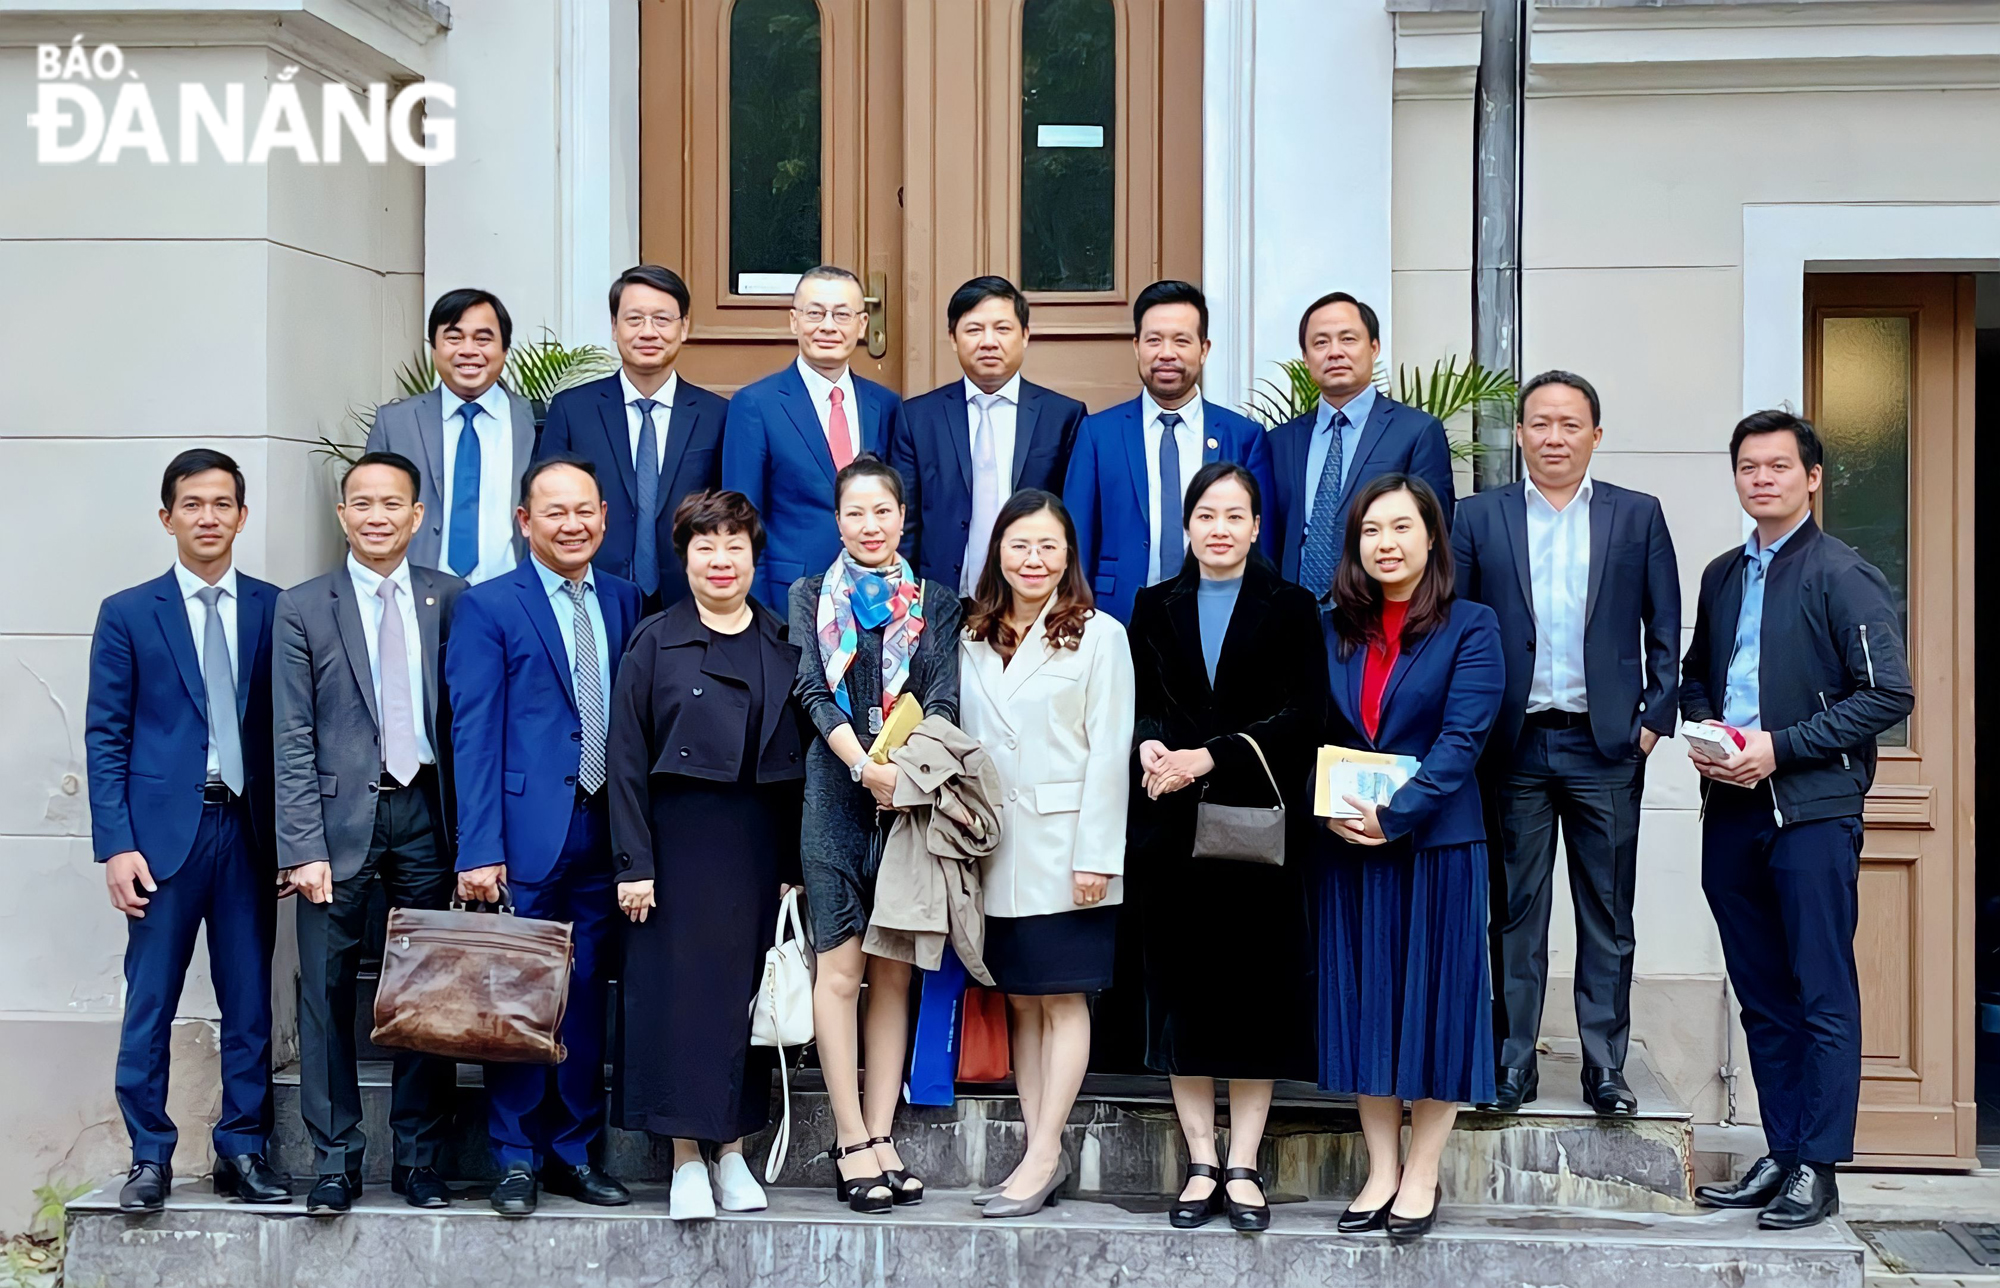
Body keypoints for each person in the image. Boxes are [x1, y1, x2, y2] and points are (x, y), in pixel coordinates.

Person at [1683, 411, 1912, 1231]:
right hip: (1731, 810)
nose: (1762, 479)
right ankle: (1781, 1152)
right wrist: (1707, 735)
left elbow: (1887, 694)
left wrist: (1781, 748)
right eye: (1748, 467)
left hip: (1811, 812)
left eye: (1779, 466)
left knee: (1821, 993)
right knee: (1762, 997)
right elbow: (1695, 679)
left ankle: (1819, 1165)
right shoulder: (1721, 575)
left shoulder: (1842, 574)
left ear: (1812, 478)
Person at [1449, 371, 1680, 1116]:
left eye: (1569, 424)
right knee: (1516, 915)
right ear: (1519, 435)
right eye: (1539, 424)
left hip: (1605, 747)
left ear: (1595, 436)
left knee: (1607, 916)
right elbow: (1460, 631)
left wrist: (1652, 719)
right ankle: (1511, 1064)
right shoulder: (1479, 518)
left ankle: (1604, 1068)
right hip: (1514, 748)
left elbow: (1667, 631)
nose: (1554, 437)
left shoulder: (1635, 517)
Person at [85, 449, 289, 1213]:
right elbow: (105, 735)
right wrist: (116, 844)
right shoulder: (129, 613)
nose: (209, 517)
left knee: (248, 1001)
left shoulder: (276, 609)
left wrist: (292, 837)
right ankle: (149, 1154)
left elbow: (288, 731)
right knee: (151, 1003)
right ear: (167, 516)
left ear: (243, 514)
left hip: (247, 831)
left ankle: (243, 1147)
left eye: (223, 503)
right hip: (162, 841)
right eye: (192, 504)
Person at [1125, 463, 1326, 1233]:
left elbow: (1305, 715)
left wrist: (1212, 756)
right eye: (1205, 515)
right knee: (1184, 998)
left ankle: (1244, 1160)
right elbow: (1139, 703)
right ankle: (1200, 1158)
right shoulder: (1153, 606)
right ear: (1187, 528)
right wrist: (1148, 748)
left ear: (1254, 527)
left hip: (1255, 837)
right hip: (1170, 829)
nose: (1218, 529)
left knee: (1251, 999)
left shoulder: (1291, 606)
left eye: (1234, 516)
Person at [446, 455, 644, 1217]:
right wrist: (479, 848)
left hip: (604, 832)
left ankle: (573, 1152)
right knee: (519, 998)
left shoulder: (626, 601)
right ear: (525, 522)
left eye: (585, 510)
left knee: (586, 998)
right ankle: (514, 1157)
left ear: (603, 516)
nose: (573, 524)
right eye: (554, 512)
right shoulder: (489, 607)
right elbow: (473, 732)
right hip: (522, 839)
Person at [271, 452, 467, 1215]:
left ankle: (421, 1159)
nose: (377, 515)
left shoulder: (450, 598)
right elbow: (291, 733)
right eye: (362, 503)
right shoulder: (303, 606)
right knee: (324, 992)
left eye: (393, 503)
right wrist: (302, 846)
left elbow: (466, 723)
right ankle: (334, 1160)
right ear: (343, 514)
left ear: (417, 517)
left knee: (431, 991)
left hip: (427, 815)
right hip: (335, 822)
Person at [606, 490, 808, 1222]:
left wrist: (795, 864)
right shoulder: (654, 641)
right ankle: (685, 1158)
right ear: (684, 556)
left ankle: (734, 1153)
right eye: (705, 546)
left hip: (757, 849)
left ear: (756, 557)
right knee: (676, 1001)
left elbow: (801, 767)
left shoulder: (785, 641)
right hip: (673, 844)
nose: (721, 561)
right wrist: (634, 863)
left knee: (747, 1003)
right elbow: (624, 760)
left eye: (735, 547)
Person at [1317, 473, 1504, 1243]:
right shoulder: (1332, 627)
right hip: (1349, 845)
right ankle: (1380, 1169)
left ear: (1432, 538)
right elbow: (1312, 731)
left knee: (1435, 1008)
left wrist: (1397, 817)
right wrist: (1330, 805)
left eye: (1401, 529)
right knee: (1367, 1006)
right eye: (1370, 531)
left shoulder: (1473, 627)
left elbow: (1463, 742)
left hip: (1434, 845)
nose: (1385, 544)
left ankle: (1422, 1172)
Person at [789, 456, 962, 1214]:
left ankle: (884, 1133)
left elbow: (945, 698)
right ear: (838, 521)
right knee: (840, 972)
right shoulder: (808, 596)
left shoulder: (937, 603)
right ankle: (850, 1136)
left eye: (882, 512)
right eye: (855, 513)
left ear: (901, 518)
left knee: (894, 973)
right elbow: (810, 690)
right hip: (835, 795)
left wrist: (905, 776)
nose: (869, 525)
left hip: (909, 802)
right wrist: (864, 767)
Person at [958, 489, 1134, 1219]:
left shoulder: (1099, 635)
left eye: (1048, 547)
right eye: (1020, 545)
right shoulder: (970, 634)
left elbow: (1109, 752)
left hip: (1068, 852)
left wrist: (1096, 856)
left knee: (1062, 998)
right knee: (1021, 1000)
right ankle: (1040, 1148)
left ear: (1069, 556)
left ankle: (1042, 1153)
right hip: (994, 851)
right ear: (998, 551)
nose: (1034, 560)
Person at [1063, 280, 1275, 624]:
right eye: (1154, 340)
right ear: (1136, 347)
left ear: (1204, 349)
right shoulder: (1098, 434)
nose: (1166, 353)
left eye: (1181, 340)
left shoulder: (1245, 437)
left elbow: (1260, 547)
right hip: (1116, 619)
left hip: (1220, 622)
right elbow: (1076, 537)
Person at [538, 265, 728, 611]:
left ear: (684, 327)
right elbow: (546, 503)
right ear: (614, 327)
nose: (648, 332)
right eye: (634, 319)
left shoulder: (717, 415)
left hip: (691, 597)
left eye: (662, 319)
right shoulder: (572, 410)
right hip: (589, 592)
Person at [888, 277, 1086, 594]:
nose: (989, 341)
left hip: (1034, 597)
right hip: (942, 598)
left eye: (1003, 329)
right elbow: (905, 522)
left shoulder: (1062, 416)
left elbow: (1075, 520)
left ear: (1025, 335)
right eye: (974, 329)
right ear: (953, 338)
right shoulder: (918, 418)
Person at [724, 266, 905, 611]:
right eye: (815, 313)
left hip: (876, 598)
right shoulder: (755, 405)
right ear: (794, 321)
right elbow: (742, 519)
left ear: (862, 325)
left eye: (842, 314)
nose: (828, 326)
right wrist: (759, 613)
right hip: (789, 600)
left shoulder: (884, 405)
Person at [1269, 292, 1455, 598]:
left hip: (1378, 616)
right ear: (1305, 357)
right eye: (1320, 343)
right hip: (1294, 619)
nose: (1335, 352)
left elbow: (1433, 534)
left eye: (1348, 339)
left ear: (1374, 348)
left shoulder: (1417, 431)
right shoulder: (1280, 441)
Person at [366, 288, 535, 583]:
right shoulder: (395, 423)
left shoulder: (536, 421)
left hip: (512, 598)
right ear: (434, 348)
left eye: (483, 339)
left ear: (505, 349)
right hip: (415, 599)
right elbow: (369, 514)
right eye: (454, 338)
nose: (468, 350)